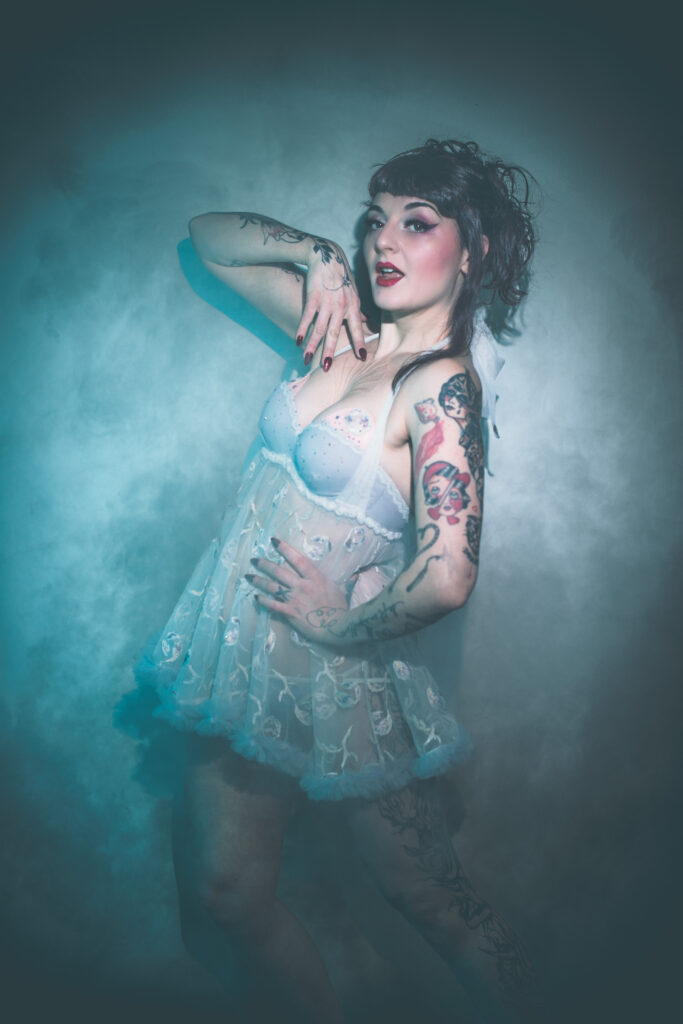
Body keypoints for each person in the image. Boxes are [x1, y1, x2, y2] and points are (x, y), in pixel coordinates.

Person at [135, 139, 539, 1022]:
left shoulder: (442, 386)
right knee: (225, 896)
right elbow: (207, 236)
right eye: (374, 219)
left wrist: (333, 626)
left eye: (417, 223)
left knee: (431, 901)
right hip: (239, 649)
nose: (382, 239)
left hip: (340, 672)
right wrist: (315, 254)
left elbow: (446, 576)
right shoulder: (338, 327)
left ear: (470, 253)